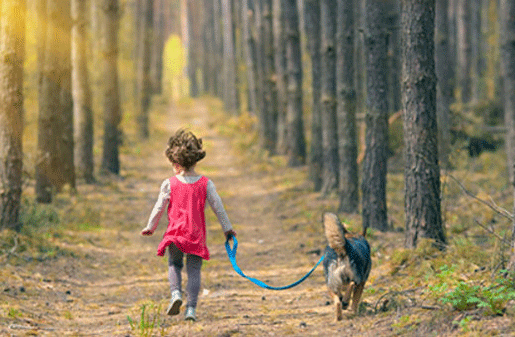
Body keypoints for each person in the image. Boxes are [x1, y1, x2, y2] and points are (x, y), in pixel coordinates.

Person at [141, 129, 236, 321]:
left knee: (174, 264)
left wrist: (150, 226)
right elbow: (218, 207)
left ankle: (176, 294)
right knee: (194, 270)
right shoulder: (206, 183)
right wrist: (227, 229)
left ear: (175, 163)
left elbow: (159, 206)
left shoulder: (169, 184)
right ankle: (191, 309)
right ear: (195, 160)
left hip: (175, 234)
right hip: (195, 235)